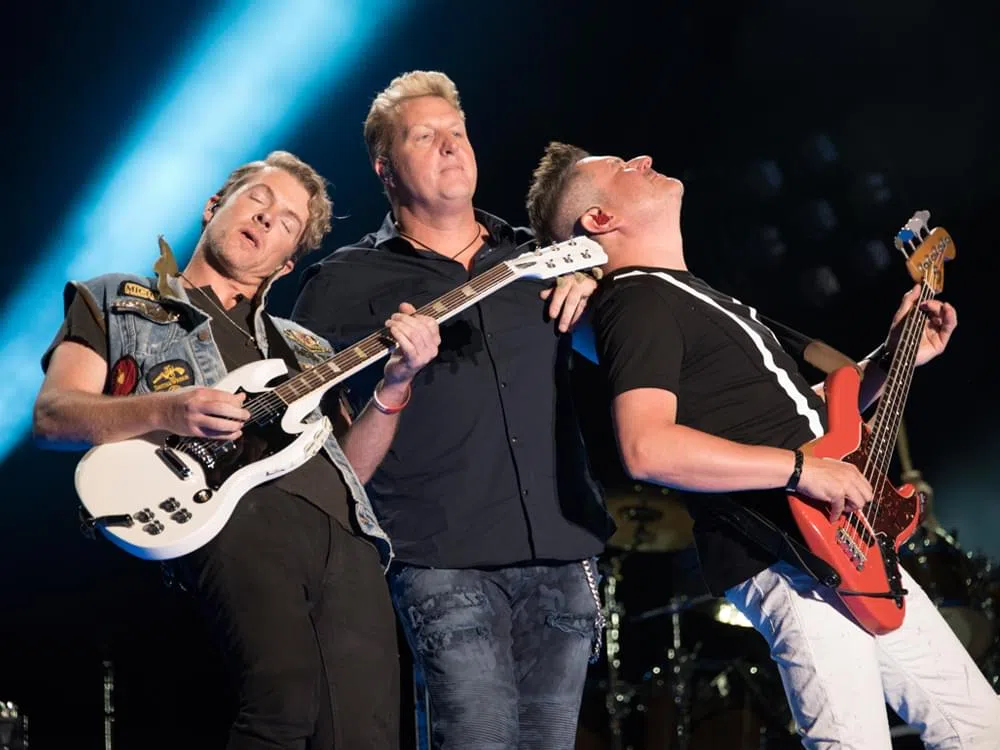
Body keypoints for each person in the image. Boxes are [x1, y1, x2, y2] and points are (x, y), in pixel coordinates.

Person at [525, 141, 1000, 748]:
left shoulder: (688, 294)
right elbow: (647, 446)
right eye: (622, 168)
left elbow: (807, 408)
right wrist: (802, 470)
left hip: (848, 541)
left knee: (979, 730)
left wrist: (892, 359)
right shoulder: (635, 298)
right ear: (599, 219)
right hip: (783, 548)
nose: (642, 159)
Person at [33, 150, 441, 749]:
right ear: (214, 205)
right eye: (258, 199)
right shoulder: (116, 297)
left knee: (365, 734)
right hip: (230, 520)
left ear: (288, 261)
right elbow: (53, 415)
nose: (266, 219)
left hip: (344, 536)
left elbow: (350, 467)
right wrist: (167, 410)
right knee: (281, 708)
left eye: (287, 222)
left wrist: (395, 386)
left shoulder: (307, 348)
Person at [291, 72, 612, 749]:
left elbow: (631, 344)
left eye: (457, 132)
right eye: (424, 136)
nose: (449, 146)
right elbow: (320, 455)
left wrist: (594, 284)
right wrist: (394, 380)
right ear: (385, 168)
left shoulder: (542, 256)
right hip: (440, 559)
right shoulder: (342, 282)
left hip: (561, 550)